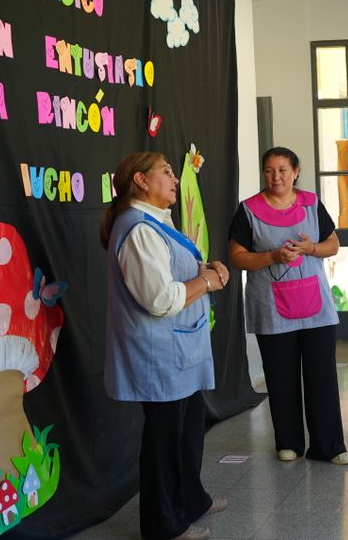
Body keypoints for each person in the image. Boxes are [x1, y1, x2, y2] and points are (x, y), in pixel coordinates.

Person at [101, 152, 230, 540]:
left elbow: (178, 274)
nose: (175, 179)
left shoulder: (158, 221)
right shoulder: (138, 229)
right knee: (164, 442)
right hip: (158, 354)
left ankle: (192, 500)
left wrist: (207, 271)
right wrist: (206, 283)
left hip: (179, 349)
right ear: (140, 181)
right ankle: (163, 525)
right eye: (166, 172)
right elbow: (159, 298)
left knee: (188, 431)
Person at [228, 147, 348, 465]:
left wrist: (311, 247)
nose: (276, 176)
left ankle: (330, 446)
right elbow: (237, 257)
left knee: (321, 377)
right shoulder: (249, 210)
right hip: (271, 308)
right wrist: (271, 256)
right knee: (280, 377)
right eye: (269, 170)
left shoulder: (311, 203)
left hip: (316, 307)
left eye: (283, 169)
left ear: (296, 171)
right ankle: (289, 443)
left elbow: (333, 243)